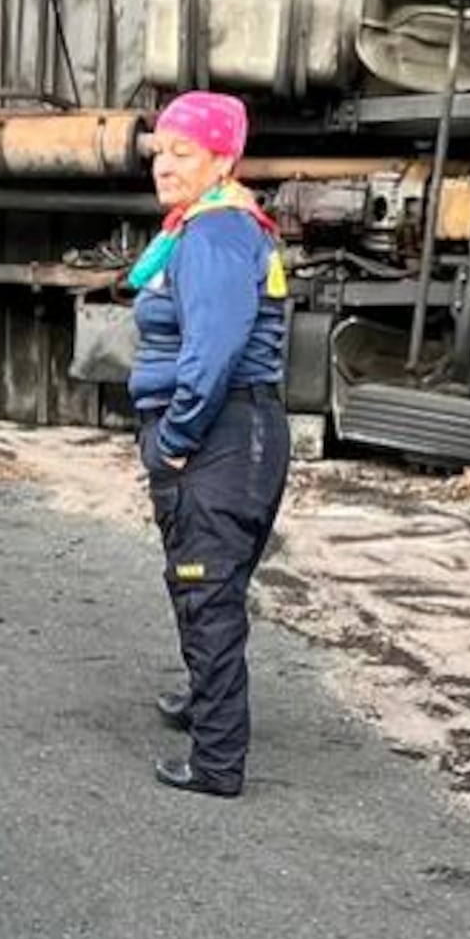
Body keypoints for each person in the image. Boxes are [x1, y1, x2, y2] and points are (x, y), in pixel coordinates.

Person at [127, 87, 292, 799]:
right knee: (208, 583)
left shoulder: (216, 235)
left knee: (208, 593)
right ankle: (204, 700)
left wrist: (176, 437)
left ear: (223, 156)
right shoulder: (210, 225)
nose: (164, 165)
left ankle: (218, 762)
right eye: (159, 150)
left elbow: (215, 349)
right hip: (235, 432)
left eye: (182, 151)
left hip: (221, 432)